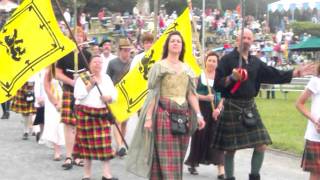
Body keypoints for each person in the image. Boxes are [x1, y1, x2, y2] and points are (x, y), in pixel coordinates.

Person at [213, 28, 315, 180]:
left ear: (252, 41)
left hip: (250, 106)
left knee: (261, 144)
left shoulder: (255, 62)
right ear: (237, 39)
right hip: (232, 105)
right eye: (243, 37)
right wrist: (231, 78)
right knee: (230, 148)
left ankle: (254, 177)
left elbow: (273, 74)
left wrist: (294, 73)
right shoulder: (226, 60)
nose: (246, 40)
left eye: (249, 38)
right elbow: (217, 85)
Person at [127, 31, 205, 179]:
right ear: (167, 45)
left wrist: (199, 115)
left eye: (178, 41)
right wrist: (149, 118)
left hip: (183, 118)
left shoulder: (188, 69)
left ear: (182, 47)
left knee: (177, 158)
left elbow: (191, 95)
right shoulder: (159, 66)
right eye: (172, 41)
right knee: (164, 158)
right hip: (164, 116)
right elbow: (153, 94)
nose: (176, 43)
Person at [73, 55, 118, 180]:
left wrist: (108, 98)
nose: (97, 64)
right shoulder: (83, 77)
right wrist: (90, 86)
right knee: (86, 149)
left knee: (106, 145)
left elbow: (114, 95)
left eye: (100, 62)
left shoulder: (106, 78)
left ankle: (106, 174)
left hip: (101, 115)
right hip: (86, 115)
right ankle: (87, 175)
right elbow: (78, 95)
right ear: (89, 63)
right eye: (95, 62)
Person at [185, 52, 225, 179]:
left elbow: (224, 95)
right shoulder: (199, 76)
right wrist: (205, 97)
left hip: (216, 112)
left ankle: (220, 168)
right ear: (206, 61)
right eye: (210, 60)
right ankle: (193, 163)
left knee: (217, 138)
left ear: (217, 64)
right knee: (199, 136)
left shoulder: (220, 77)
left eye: (214, 61)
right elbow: (192, 94)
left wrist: (218, 108)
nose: (212, 63)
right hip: (201, 109)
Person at [56, 28, 91, 170]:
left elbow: (91, 73)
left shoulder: (87, 55)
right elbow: (57, 74)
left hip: (83, 95)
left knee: (80, 125)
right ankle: (69, 156)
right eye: (76, 35)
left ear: (83, 38)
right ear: (70, 37)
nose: (78, 37)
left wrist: (83, 84)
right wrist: (72, 82)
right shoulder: (64, 54)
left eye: (81, 35)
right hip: (68, 92)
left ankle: (79, 156)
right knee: (68, 124)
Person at [106, 38, 132, 157]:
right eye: (125, 50)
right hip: (115, 95)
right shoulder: (112, 63)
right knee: (117, 120)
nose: (127, 53)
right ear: (120, 51)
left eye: (128, 50)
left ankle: (120, 144)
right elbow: (107, 79)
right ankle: (120, 145)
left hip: (127, 96)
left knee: (125, 122)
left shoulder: (132, 64)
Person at [296, 63, 320, 180]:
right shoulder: (316, 81)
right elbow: (299, 103)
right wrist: (315, 120)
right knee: (316, 173)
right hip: (316, 136)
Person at [42, 65, 65, 160]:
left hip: (66, 99)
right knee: (55, 124)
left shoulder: (66, 70)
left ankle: (71, 152)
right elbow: (47, 88)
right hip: (52, 102)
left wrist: (62, 102)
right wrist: (55, 103)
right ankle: (57, 151)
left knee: (66, 125)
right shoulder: (49, 72)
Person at [0, 0, 18, 119]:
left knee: (7, 87)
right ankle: (6, 110)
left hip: (8, 61)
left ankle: (7, 109)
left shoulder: (10, 29)